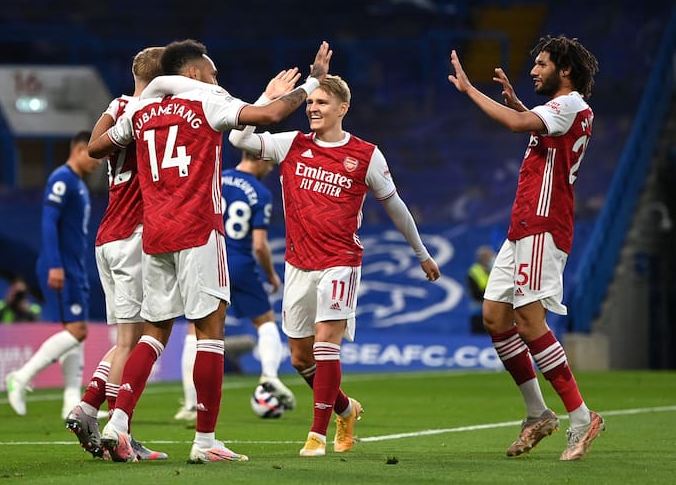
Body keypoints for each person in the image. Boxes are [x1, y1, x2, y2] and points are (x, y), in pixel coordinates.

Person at [88, 39, 332, 463]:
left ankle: (118, 423)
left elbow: (97, 148)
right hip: (199, 230)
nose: (218, 80)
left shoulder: (142, 110)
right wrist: (312, 81)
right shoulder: (206, 98)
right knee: (209, 333)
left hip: (156, 234)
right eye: (213, 72)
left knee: (155, 332)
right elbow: (268, 118)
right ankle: (205, 443)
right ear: (196, 72)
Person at [229, 74, 441, 457]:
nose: (312, 108)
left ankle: (316, 434)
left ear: (343, 109)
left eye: (322, 102)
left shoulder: (366, 154)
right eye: (310, 102)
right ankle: (346, 409)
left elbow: (395, 205)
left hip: (341, 261)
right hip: (298, 263)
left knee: (327, 344)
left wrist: (421, 252)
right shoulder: (291, 144)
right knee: (299, 358)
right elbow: (238, 139)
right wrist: (268, 96)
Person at [448, 35, 604, 461]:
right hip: (522, 225)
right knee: (495, 316)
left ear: (564, 71)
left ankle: (581, 416)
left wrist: (470, 91)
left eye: (541, 64)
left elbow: (520, 126)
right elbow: (537, 128)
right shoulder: (563, 111)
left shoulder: (570, 104)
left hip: (543, 223)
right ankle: (538, 413)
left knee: (530, 322)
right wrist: (520, 104)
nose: (533, 70)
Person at [64, 47, 168, 461]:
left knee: (126, 338)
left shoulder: (119, 105)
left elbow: (94, 145)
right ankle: (118, 432)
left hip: (107, 236)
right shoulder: (157, 116)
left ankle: (89, 405)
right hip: (135, 236)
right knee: (136, 339)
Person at [176, 151, 295, 422]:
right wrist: (271, 275)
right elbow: (259, 244)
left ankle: (191, 405)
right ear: (261, 159)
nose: (271, 168)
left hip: (209, 260)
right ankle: (270, 376)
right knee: (264, 322)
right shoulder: (261, 193)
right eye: (271, 163)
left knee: (196, 332)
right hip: (240, 264)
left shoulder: (216, 180)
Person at [6, 131, 102, 418]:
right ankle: (20, 377)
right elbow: (49, 222)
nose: (98, 162)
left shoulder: (79, 185)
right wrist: (55, 264)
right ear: (79, 149)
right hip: (61, 265)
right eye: (94, 155)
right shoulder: (62, 179)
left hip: (74, 265)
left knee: (75, 331)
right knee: (77, 331)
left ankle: (71, 402)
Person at [466, 245, 494, 334]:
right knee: (479, 334)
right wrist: (492, 296)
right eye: (488, 257)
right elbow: (474, 293)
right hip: (479, 310)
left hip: (495, 310)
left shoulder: (497, 270)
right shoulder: (474, 271)